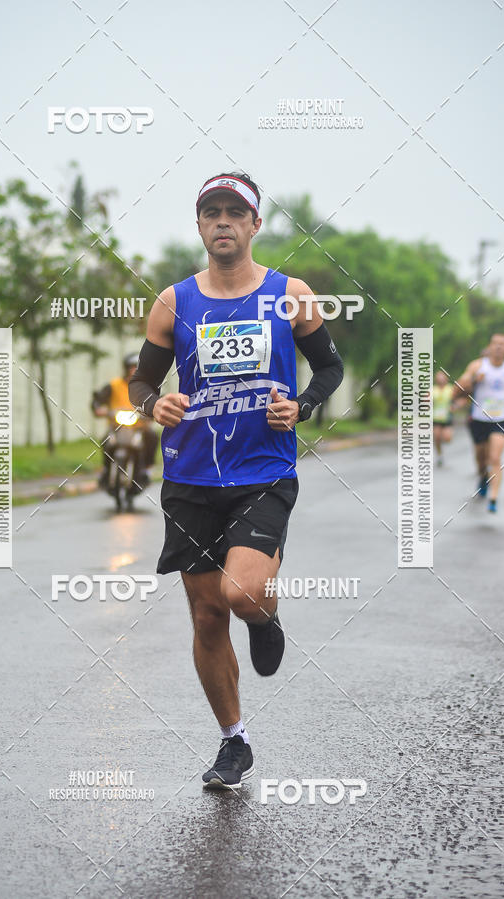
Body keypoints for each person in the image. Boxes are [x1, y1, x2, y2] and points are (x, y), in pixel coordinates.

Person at [129, 172, 344, 789]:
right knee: (204, 617)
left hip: (262, 471)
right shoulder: (173, 302)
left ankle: (264, 617)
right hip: (191, 475)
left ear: (254, 225)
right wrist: (153, 405)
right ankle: (234, 741)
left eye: (234, 212)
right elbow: (142, 382)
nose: (222, 222)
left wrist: (302, 406)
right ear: (199, 226)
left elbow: (328, 367)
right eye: (211, 212)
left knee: (242, 594)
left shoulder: (290, 294)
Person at [454, 333, 504, 512]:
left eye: (502, 344)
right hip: (479, 419)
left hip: (501, 420)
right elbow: (458, 389)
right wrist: (474, 380)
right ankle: (483, 475)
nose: (499, 347)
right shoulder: (477, 366)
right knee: (481, 457)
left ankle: (493, 498)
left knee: (495, 458)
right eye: (495, 344)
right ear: (490, 347)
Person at [92, 353, 158, 492]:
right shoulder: (114, 385)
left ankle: (146, 470)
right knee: (106, 440)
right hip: (117, 426)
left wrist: (154, 412)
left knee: (152, 436)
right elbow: (98, 400)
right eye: (132, 367)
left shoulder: (146, 387)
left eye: (138, 367)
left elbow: (155, 402)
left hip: (139, 427)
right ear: (126, 369)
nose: (134, 370)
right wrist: (98, 408)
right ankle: (106, 470)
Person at [432, 371, 454, 466]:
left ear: (446, 379)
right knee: (436, 437)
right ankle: (439, 455)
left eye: (442, 378)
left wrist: (455, 406)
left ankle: (443, 441)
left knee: (447, 438)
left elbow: (458, 399)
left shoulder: (451, 389)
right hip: (436, 417)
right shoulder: (433, 390)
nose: (440, 380)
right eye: (438, 378)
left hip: (447, 417)